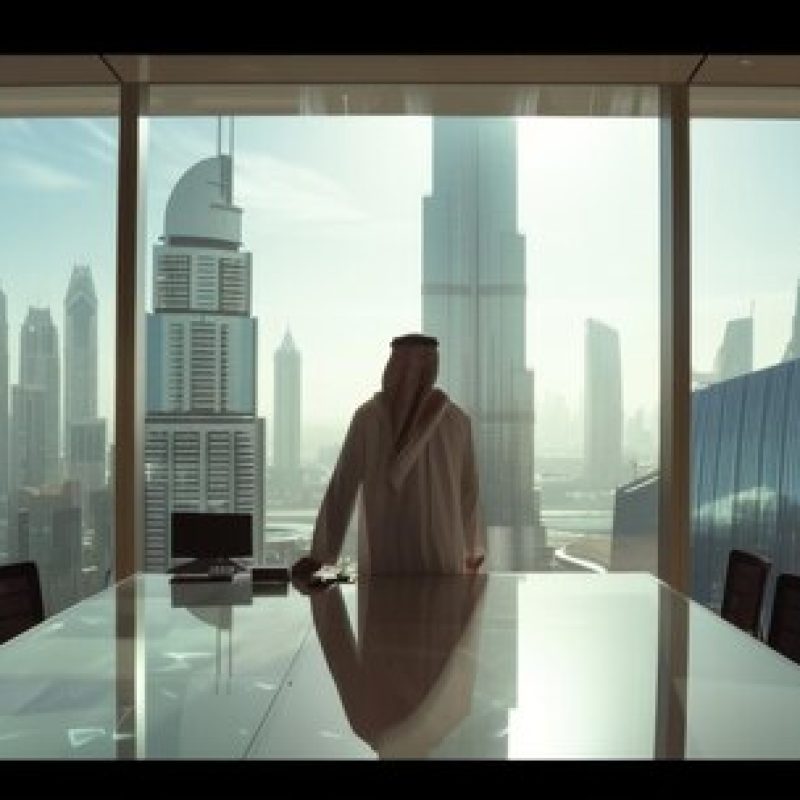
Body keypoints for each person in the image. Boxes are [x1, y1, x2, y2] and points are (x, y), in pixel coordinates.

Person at [292, 333, 485, 580]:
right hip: (440, 555)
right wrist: (472, 550)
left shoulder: (369, 418)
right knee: (439, 617)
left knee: (387, 616)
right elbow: (469, 495)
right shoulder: (456, 421)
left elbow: (342, 489)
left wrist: (322, 556)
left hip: (388, 551)